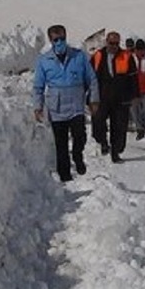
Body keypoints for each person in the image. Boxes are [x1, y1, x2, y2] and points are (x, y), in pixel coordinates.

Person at [33, 24, 99, 182]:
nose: (60, 42)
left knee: (80, 135)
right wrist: (38, 106)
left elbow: (92, 79)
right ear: (50, 40)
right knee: (61, 144)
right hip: (57, 107)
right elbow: (38, 86)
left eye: (62, 38)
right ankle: (65, 175)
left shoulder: (79, 56)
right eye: (56, 39)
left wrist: (94, 99)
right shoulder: (44, 61)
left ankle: (77, 155)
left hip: (76, 105)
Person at [90, 30, 138, 163]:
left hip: (121, 98)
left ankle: (116, 152)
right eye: (111, 43)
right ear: (106, 42)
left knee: (119, 127)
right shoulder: (98, 56)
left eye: (116, 43)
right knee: (98, 121)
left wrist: (135, 95)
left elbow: (133, 78)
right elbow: (90, 77)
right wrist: (89, 96)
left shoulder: (126, 56)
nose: (114, 46)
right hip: (102, 97)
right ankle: (103, 142)